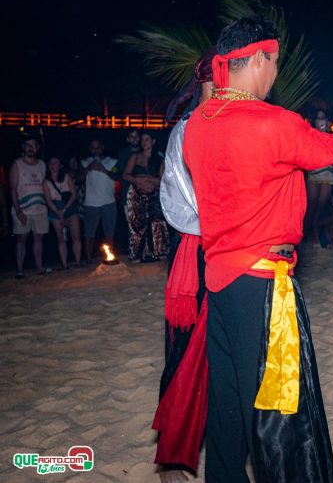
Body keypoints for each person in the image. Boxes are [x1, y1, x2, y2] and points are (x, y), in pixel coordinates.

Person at [182, 16, 333, 482]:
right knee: (277, 410)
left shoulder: (197, 126)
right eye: (275, 63)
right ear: (262, 58)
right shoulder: (272, 123)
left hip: (219, 283)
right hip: (263, 284)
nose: (275, 75)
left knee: (228, 404)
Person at [153, 48, 217, 483]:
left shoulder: (241, 126)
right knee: (184, 346)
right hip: (199, 249)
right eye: (216, 80)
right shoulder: (187, 130)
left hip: (236, 251)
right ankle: (173, 456)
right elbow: (176, 202)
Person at [123, 133, 169, 262]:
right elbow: (125, 175)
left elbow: (163, 180)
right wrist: (138, 181)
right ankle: (137, 254)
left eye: (147, 139)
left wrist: (150, 180)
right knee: (137, 223)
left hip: (153, 193)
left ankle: (160, 251)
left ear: (153, 141)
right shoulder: (135, 157)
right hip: (136, 194)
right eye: (142, 139)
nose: (144, 142)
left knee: (158, 221)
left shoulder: (159, 159)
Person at [9, 136, 51, 277]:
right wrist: (18, 210)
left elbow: (44, 186)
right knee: (21, 239)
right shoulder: (17, 164)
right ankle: (20, 270)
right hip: (22, 208)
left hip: (40, 208)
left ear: (37, 148)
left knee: (39, 238)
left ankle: (39, 267)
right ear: (23, 147)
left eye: (33, 145)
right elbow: (13, 189)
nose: (30, 148)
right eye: (27, 145)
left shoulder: (42, 165)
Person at [81, 139, 118, 263]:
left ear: (102, 147)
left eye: (98, 147)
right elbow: (77, 178)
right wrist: (88, 168)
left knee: (109, 233)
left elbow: (119, 176)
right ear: (90, 149)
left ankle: (110, 257)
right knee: (89, 234)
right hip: (91, 203)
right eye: (93, 147)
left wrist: (104, 170)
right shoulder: (85, 162)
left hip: (109, 202)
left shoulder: (112, 162)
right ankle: (88, 258)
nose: (96, 150)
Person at [42, 156, 82, 269]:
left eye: (55, 163)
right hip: (55, 208)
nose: (53, 165)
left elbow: (74, 194)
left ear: (60, 166)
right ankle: (64, 264)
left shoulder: (66, 177)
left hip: (69, 205)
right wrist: (58, 212)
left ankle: (77, 262)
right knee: (61, 238)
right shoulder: (46, 182)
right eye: (51, 163)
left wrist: (64, 210)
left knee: (76, 236)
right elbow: (48, 200)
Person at [304, 110, 333, 246]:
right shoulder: (310, 135)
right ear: (314, 121)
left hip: (328, 172)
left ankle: (314, 234)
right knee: (312, 206)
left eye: (323, 118)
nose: (321, 121)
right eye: (318, 118)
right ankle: (307, 234)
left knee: (322, 205)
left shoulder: (331, 136)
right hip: (313, 172)